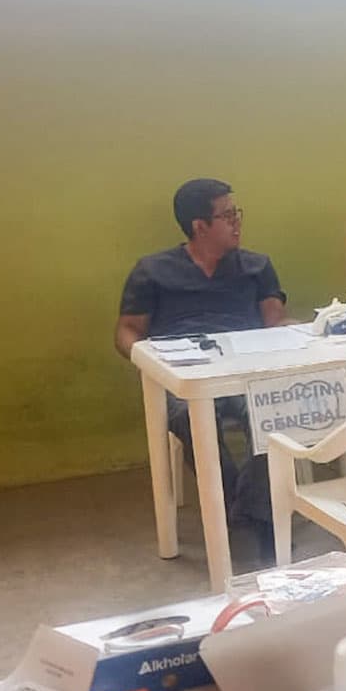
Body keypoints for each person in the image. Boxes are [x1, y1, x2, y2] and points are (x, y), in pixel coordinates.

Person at [115, 178, 286, 554]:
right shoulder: (153, 271)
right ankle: (237, 502)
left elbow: (274, 322)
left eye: (236, 213)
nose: (237, 222)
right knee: (189, 415)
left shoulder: (256, 266)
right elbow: (127, 331)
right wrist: (151, 361)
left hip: (245, 370)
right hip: (185, 374)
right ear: (200, 226)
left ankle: (251, 509)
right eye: (227, 215)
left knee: (270, 411)